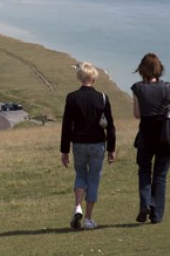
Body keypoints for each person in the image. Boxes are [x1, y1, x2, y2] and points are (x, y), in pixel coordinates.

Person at [60, 62, 116, 230]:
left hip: (78, 143)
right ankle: (89, 219)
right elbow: (110, 125)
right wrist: (112, 149)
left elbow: (66, 126)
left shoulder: (72, 97)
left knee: (80, 174)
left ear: (80, 77)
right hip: (97, 144)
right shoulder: (103, 98)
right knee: (93, 179)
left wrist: (64, 151)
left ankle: (78, 206)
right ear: (94, 78)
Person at [131, 53, 170, 224]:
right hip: (165, 136)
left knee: (144, 170)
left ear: (142, 69)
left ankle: (145, 203)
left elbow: (137, 114)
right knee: (160, 175)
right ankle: (156, 214)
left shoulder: (137, 88)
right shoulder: (168, 87)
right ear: (159, 69)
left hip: (146, 134)